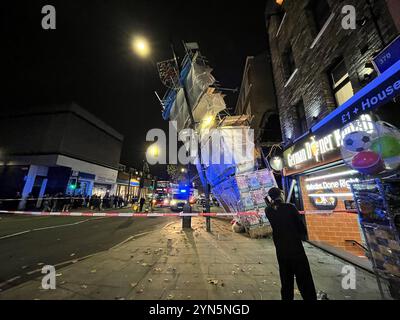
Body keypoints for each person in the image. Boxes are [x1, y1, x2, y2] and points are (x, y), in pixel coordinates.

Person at [264, 187, 317, 301]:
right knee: (304, 278)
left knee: (286, 279)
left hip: (281, 250)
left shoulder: (268, 210)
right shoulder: (290, 207)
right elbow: (300, 227)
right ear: (280, 195)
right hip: (295, 248)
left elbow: (271, 208)